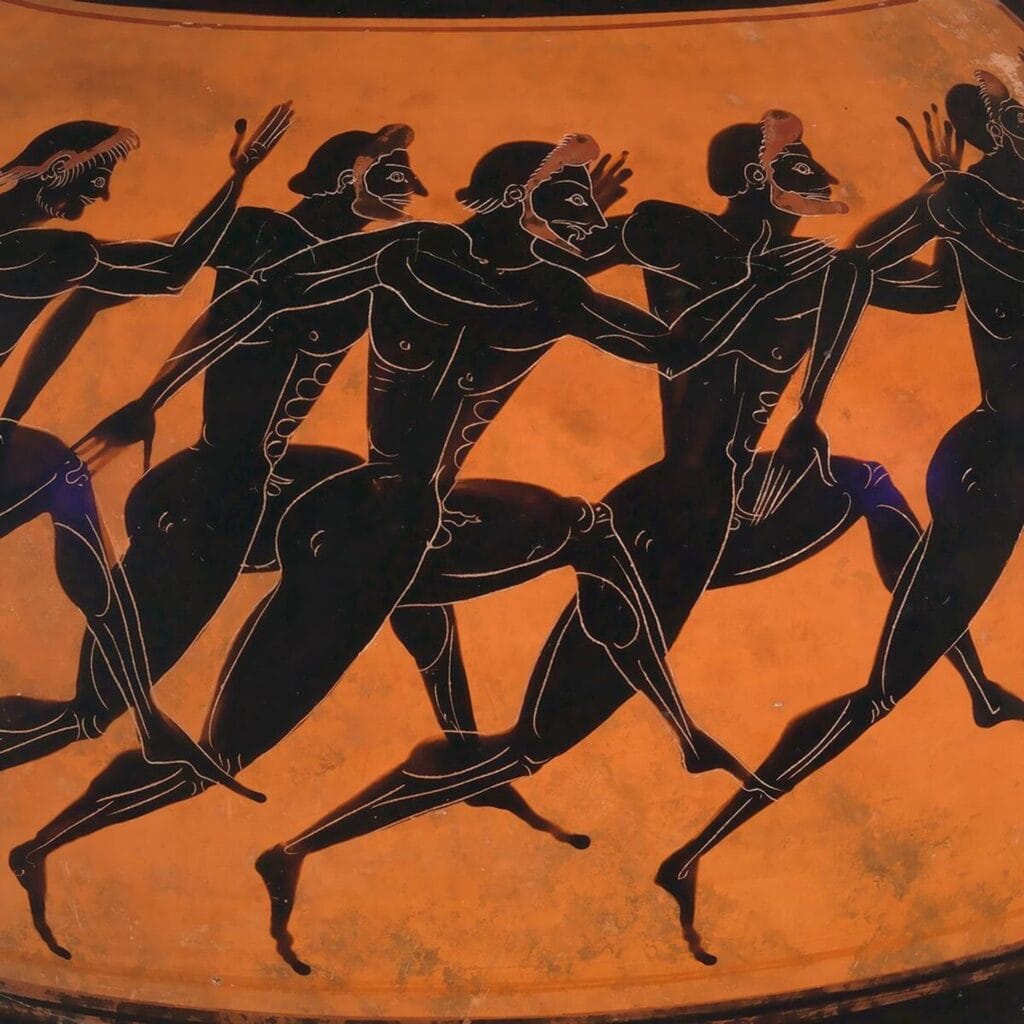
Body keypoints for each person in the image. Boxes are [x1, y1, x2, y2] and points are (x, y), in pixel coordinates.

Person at [0, 104, 292, 805]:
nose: (102, 194)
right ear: (56, 173)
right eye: (96, 177)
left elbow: (94, 302)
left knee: (65, 478)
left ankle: (146, 714)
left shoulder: (39, 251)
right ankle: (147, 715)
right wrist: (238, 182)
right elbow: (174, 270)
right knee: (65, 478)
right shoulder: (51, 253)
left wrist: (10, 417)